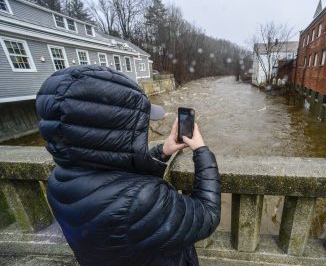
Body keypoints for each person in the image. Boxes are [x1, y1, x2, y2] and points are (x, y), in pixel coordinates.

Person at [35, 66, 221, 266]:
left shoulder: (58, 180)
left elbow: (113, 168)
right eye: (140, 124)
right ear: (115, 130)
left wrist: (162, 151)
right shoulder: (141, 199)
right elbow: (208, 214)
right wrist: (202, 151)